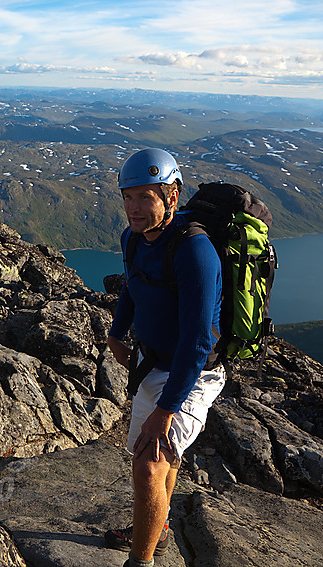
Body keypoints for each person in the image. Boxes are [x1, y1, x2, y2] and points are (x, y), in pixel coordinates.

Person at [104, 148, 225, 567]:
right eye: (128, 197)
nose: (134, 209)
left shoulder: (195, 252)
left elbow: (196, 341)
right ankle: (156, 533)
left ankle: (141, 562)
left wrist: (166, 409)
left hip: (195, 374)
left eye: (146, 198)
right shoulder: (133, 239)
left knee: (149, 466)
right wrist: (117, 333)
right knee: (157, 461)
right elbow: (130, 287)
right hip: (153, 365)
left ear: (171, 197)